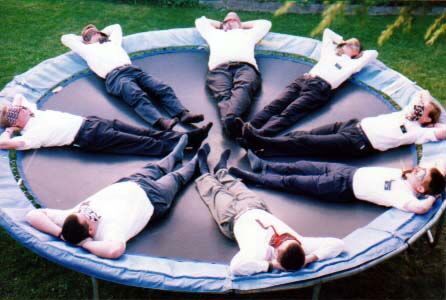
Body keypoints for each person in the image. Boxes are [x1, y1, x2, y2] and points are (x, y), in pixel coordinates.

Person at [26, 136, 208, 259]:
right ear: (90, 231)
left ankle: (176, 153)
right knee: (176, 177)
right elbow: (115, 250)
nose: (86, 212)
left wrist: (60, 234)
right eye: (88, 217)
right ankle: (197, 162)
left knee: (157, 167)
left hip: (128, 183)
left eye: (83, 212)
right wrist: (86, 244)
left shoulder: (70, 218)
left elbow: (32, 215)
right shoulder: (108, 233)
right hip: (154, 198)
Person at [194, 147, 344, 276]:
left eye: (279, 244)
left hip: (232, 217)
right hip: (257, 207)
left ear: (276, 255)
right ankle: (221, 171)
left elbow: (236, 268)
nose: (282, 238)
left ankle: (204, 172)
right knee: (237, 185)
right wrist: (310, 258)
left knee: (215, 192)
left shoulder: (259, 252)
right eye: (286, 239)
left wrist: (270, 265)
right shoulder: (303, 244)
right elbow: (338, 244)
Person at [61, 24, 204, 130]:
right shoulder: (86, 49)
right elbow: (66, 38)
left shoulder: (112, 42)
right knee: (136, 94)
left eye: (95, 32)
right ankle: (160, 121)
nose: (93, 33)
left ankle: (182, 113)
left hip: (133, 70)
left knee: (162, 87)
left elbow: (116, 27)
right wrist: (86, 38)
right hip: (115, 77)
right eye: (88, 35)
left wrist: (98, 34)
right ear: (85, 41)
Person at [248, 28, 378, 136]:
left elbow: (373, 53)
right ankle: (248, 127)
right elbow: (327, 32)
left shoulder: (354, 63)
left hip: (319, 88)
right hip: (303, 80)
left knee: (289, 113)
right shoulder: (330, 52)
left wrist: (357, 53)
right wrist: (342, 41)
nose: (351, 45)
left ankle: (258, 135)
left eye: (356, 45)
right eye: (349, 42)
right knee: (275, 104)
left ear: (358, 52)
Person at [237, 90, 445, 157]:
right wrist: (423, 108)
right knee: (302, 135)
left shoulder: (419, 132)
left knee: (306, 142)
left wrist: (435, 125)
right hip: (352, 125)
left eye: (424, 111)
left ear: (428, 119)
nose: (419, 109)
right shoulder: (409, 114)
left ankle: (258, 140)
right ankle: (261, 149)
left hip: (359, 143)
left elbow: (442, 132)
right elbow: (422, 94)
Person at [229, 152, 446, 214]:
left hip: (340, 188)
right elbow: (438, 163)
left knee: (292, 181)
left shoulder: (405, 196)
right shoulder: (408, 176)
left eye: (421, 175)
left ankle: (254, 179)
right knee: (300, 164)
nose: (419, 170)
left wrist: (432, 197)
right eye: (422, 170)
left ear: (419, 188)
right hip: (346, 171)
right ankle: (263, 165)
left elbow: (419, 208)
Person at [0, 94, 212, 154]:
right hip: (89, 137)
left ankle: (189, 138)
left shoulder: (33, 113)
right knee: (141, 143)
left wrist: (11, 113)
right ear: (16, 120)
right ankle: (184, 146)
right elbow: (4, 144)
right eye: (13, 112)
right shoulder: (32, 135)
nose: (19, 107)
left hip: (93, 122)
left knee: (146, 133)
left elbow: (17, 96)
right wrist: (9, 129)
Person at [195, 12, 271, 137]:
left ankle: (229, 119)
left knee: (244, 87)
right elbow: (200, 21)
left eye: (234, 19)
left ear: (240, 23)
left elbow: (265, 23)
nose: (230, 21)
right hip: (218, 69)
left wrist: (241, 26)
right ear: (222, 24)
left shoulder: (249, 34)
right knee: (223, 95)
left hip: (245, 67)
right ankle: (231, 122)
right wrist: (221, 25)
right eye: (227, 20)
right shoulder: (214, 34)